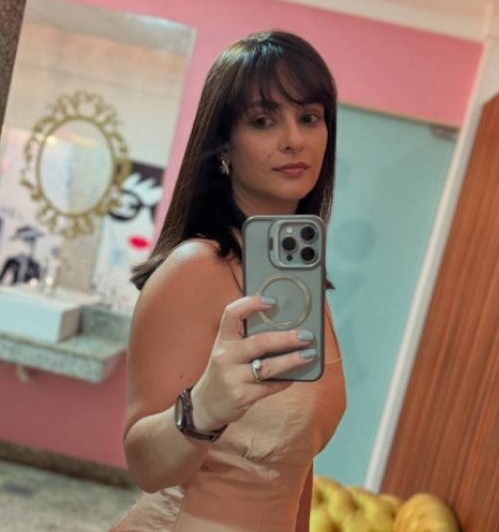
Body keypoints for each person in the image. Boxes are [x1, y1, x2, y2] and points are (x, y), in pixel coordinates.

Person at [110, 29, 346, 532]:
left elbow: (296, 464)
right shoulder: (196, 267)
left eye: (309, 117)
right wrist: (206, 407)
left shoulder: (299, 281)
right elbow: (145, 467)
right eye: (263, 120)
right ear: (224, 145)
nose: (295, 139)